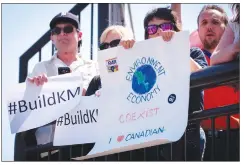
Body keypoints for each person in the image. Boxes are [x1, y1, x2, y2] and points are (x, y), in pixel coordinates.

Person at [14, 12, 99, 161]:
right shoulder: (40, 68)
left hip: (89, 148)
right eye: (56, 31)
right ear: (51, 38)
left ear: (79, 35)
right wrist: (36, 90)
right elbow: (24, 108)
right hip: (51, 151)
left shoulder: (94, 67)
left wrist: (87, 95)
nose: (62, 34)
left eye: (67, 29)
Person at [142, 7, 207, 161]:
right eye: (152, 28)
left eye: (165, 26)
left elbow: (203, 77)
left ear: (176, 30)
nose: (159, 32)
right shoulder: (142, 61)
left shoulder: (193, 53)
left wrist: (177, 48)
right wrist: (127, 50)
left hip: (187, 134)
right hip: (152, 137)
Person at [196, 5, 239, 161]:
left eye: (215, 22)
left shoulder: (237, 58)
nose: (209, 27)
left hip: (235, 139)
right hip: (201, 142)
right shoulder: (189, 59)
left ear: (227, 28)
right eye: (204, 23)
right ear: (198, 29)